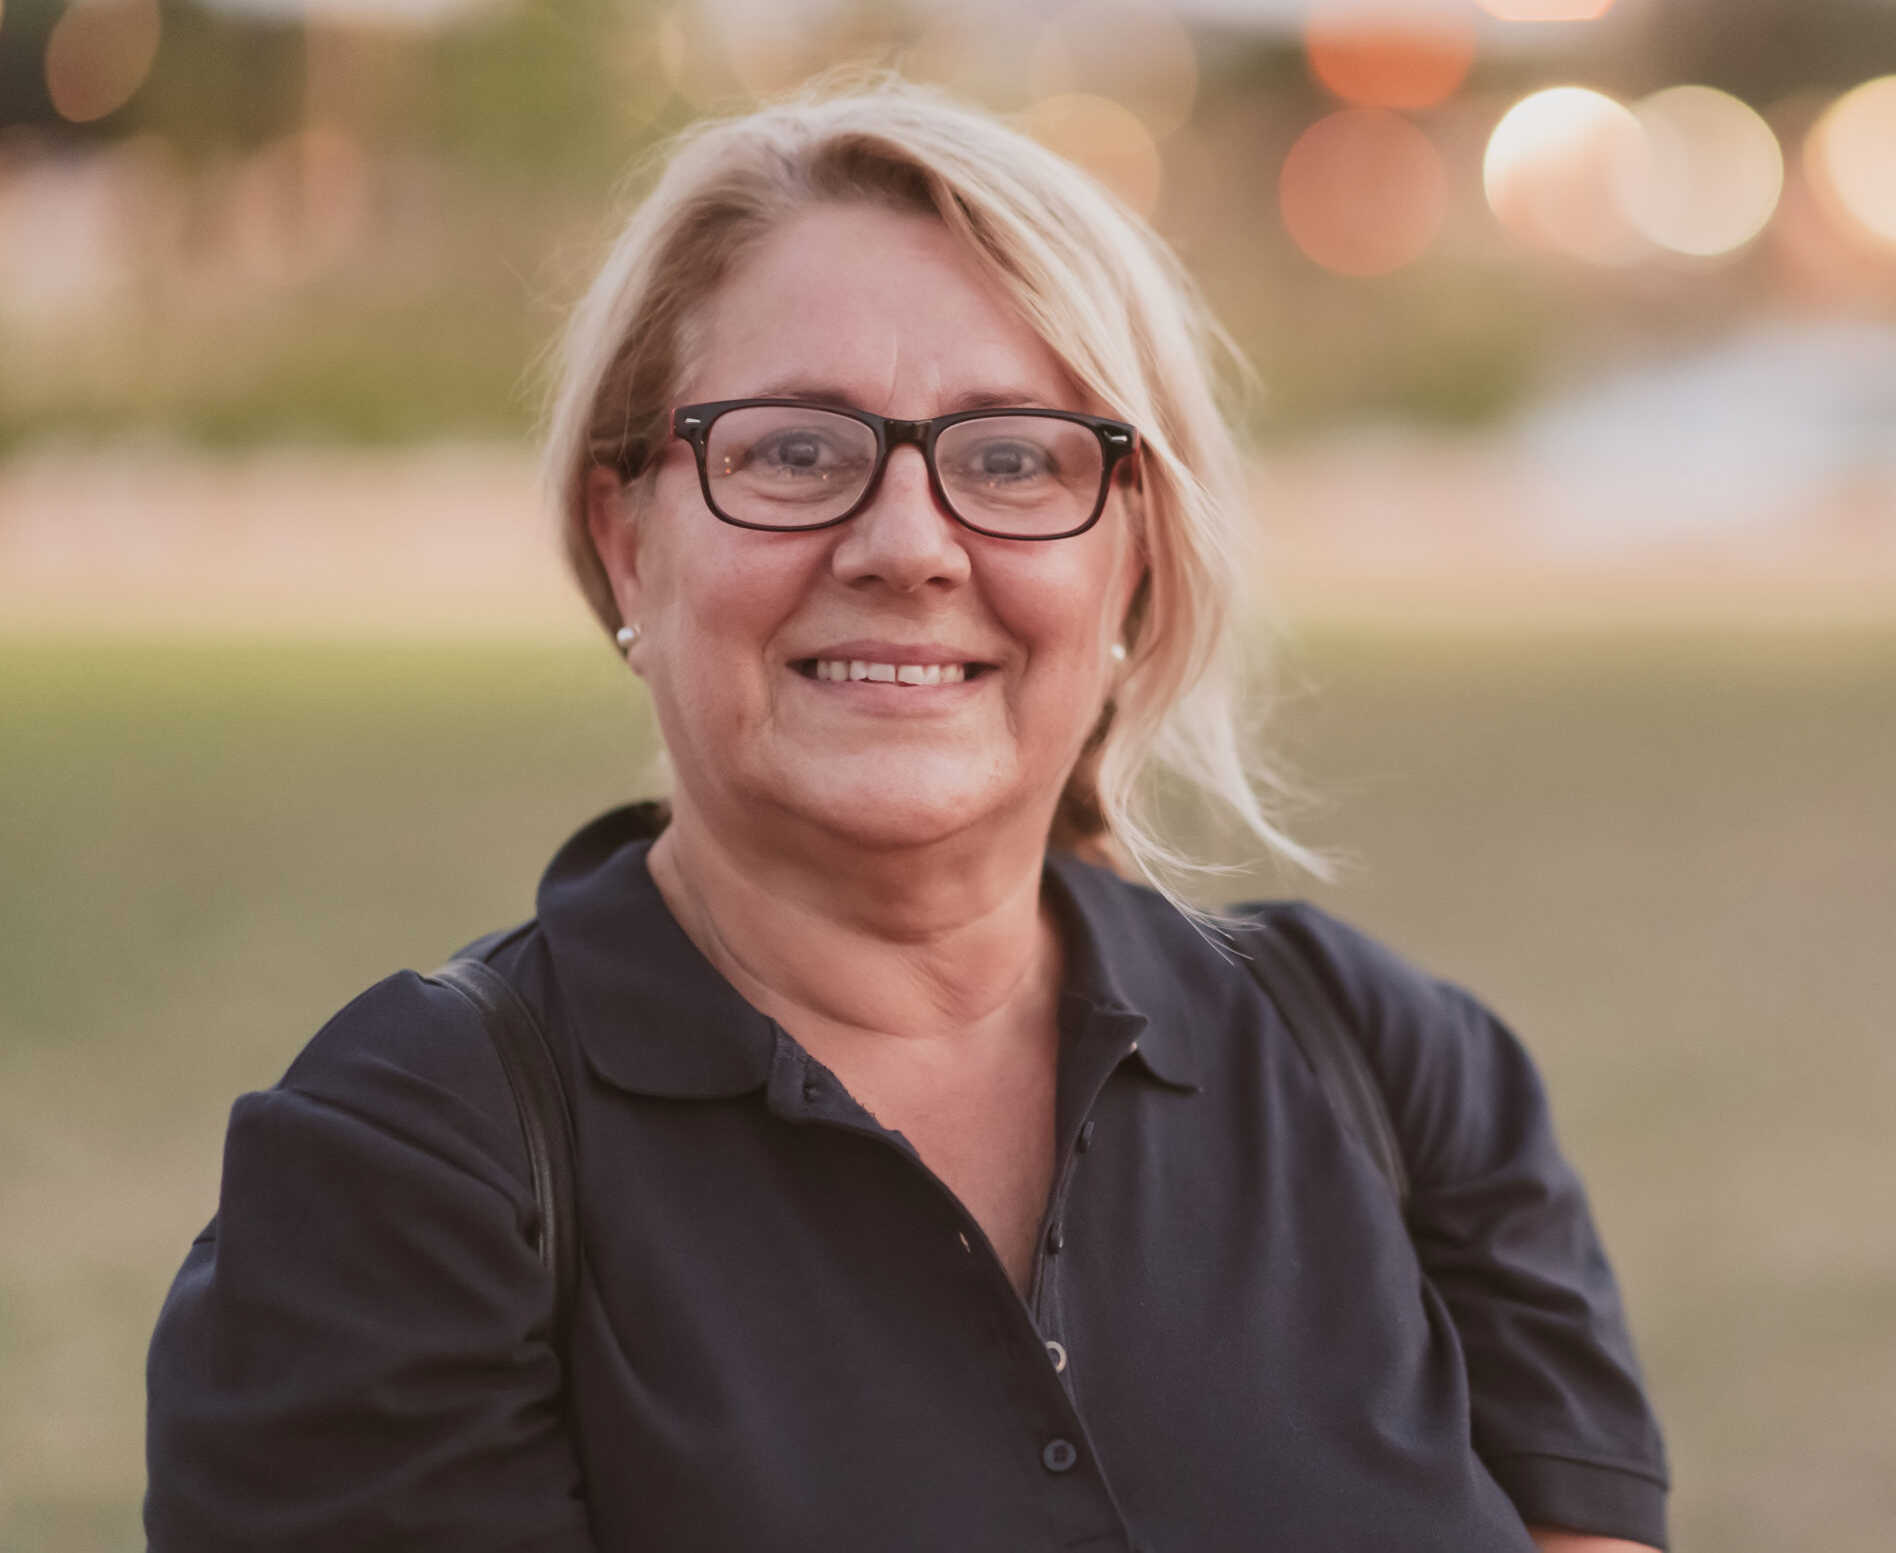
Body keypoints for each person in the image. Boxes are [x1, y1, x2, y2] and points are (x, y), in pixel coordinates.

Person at [144, 80, 1668, 1552]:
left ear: (1132, 560)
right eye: (794, 451)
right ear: (627, 544)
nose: (906, 543)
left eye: (1013, 457)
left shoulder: (1397, 1068)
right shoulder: (404, 1164)